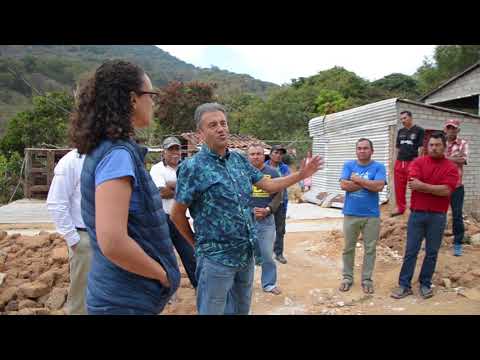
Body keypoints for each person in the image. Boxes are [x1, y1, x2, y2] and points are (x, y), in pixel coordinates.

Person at [170, 103, 323, 315]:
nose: (221, 128)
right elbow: (177, 214)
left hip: (245, 255)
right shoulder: (192, 167)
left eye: (223, 123)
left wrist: (301, 175)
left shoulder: (239, 160)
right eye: (213, 125)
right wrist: (196, 244)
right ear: (200, 133)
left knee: (242, 309)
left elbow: (268, 185)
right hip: (216, 259)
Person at [70, 60, 180, 315]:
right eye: (151, 95)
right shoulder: (118, 155)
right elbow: (113, 242)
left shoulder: (109, 148)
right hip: (125, 299)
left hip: (120, 293)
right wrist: (161, 275)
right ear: (132, 99)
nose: (153, 101)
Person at [391, 132, 459, 300]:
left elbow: (447, 190)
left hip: (438, 216)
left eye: (437, 145)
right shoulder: (418, 162)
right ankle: (404, 285)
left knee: (432, 252)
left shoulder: (451, 167)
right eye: (431, 145)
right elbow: (414, 185)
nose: (434, 148)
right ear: (427, 146)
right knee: (411, 251)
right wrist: (434, 188)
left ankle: (425, 283)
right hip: (417, 215)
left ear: (444, 146)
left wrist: (424, 186)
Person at [46, 149, 91, 315]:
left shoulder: (111, 155)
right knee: (81, 295)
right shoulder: (72, 160)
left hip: (113, 238)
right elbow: (56, 202)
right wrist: (74, 239)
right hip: (85, 238)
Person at [338, 139, 386, 294]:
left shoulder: (379, 166)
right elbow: (344, 185)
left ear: (372, 150)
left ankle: (366, 279)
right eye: (359, 148)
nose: (362, 151)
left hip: (371, 215)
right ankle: (347, 277)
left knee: (370, 249)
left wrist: (358, 180)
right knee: (348, 248)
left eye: (365, 148)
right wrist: (368, 183)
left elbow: (379, 186)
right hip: (351, 213)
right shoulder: (348, 165)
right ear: (356, 151)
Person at [150, 136, 197, 288]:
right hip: (163, 219)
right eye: (171, 150)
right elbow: (162, 192)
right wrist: (184, 189)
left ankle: (198, 285)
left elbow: (195, 189)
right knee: (164, 256)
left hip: (182, 218)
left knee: (190, 254)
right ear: (164, 152)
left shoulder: (186, 167)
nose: (175, 153)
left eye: (177, 149)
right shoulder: (157, 169)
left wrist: (173, 186)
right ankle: (167, 290)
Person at [247, 143, 283, 295]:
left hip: (266, 220)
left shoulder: (273, 173)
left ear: (264, 156)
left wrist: (268, 209)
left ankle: (269, 283)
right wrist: (249, 210)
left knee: (267, 253)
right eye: (252, 154)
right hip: (245, 220)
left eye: (259, 154)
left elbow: (279, 195)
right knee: (245, 254)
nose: (255, 156)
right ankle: (244, 285)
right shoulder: (241, 173)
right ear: (248, 157)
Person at [392, 111, 425, 217]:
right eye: (401, 119)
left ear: (410, 118)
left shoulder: (419, 130)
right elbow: (397, 147)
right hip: (400, 162)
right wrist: (394, 161)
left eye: (404, 118)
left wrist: (419, 163)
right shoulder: (400, 131)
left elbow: (421, 148)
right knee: (399, 187)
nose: (402, 121)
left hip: (412, 162)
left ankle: (415, 207)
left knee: (414, 185)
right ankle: (400, 207)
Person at [444, 119, 469, 256]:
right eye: (448, 128)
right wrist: (454, 158)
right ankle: (433, 240)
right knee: (438, 213)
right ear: (445, 130)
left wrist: (446, 158)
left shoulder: (463, 143)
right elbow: (434, 158)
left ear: (457, 130)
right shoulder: (440, 143)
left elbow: (463, 160)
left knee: (457, 215)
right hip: (441, 186)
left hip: (457, 186)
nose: (451, 130)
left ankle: (458, 243)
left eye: (453, 128)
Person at [265, 145, 291, 264]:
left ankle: (279, 253)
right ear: (270, 154)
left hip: (281, 203)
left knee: (280, 230)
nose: (279, 155)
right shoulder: (263, 166)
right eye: (276, 152)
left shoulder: (284, 168)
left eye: (281, 153)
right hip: (265, 202)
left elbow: (287, 182)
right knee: (264, 228)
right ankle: (262, 253)